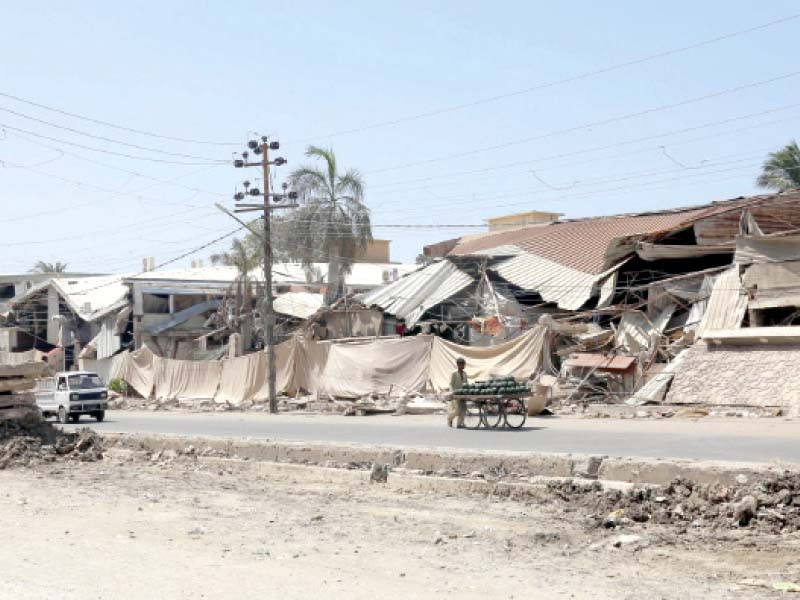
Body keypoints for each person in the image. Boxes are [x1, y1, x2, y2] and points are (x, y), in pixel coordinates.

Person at [448, 357, 468, 428]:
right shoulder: (454, 373)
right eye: (461, 364)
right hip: (456, 394)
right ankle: (450, 418)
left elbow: (466, 384)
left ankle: (459, 423)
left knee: (464, 408)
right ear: (458, 365)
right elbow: (451, 384)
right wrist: (452, 392)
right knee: (458, 409)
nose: (463, 366)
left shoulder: (465, 374)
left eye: (464, 364)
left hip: (463, 394)